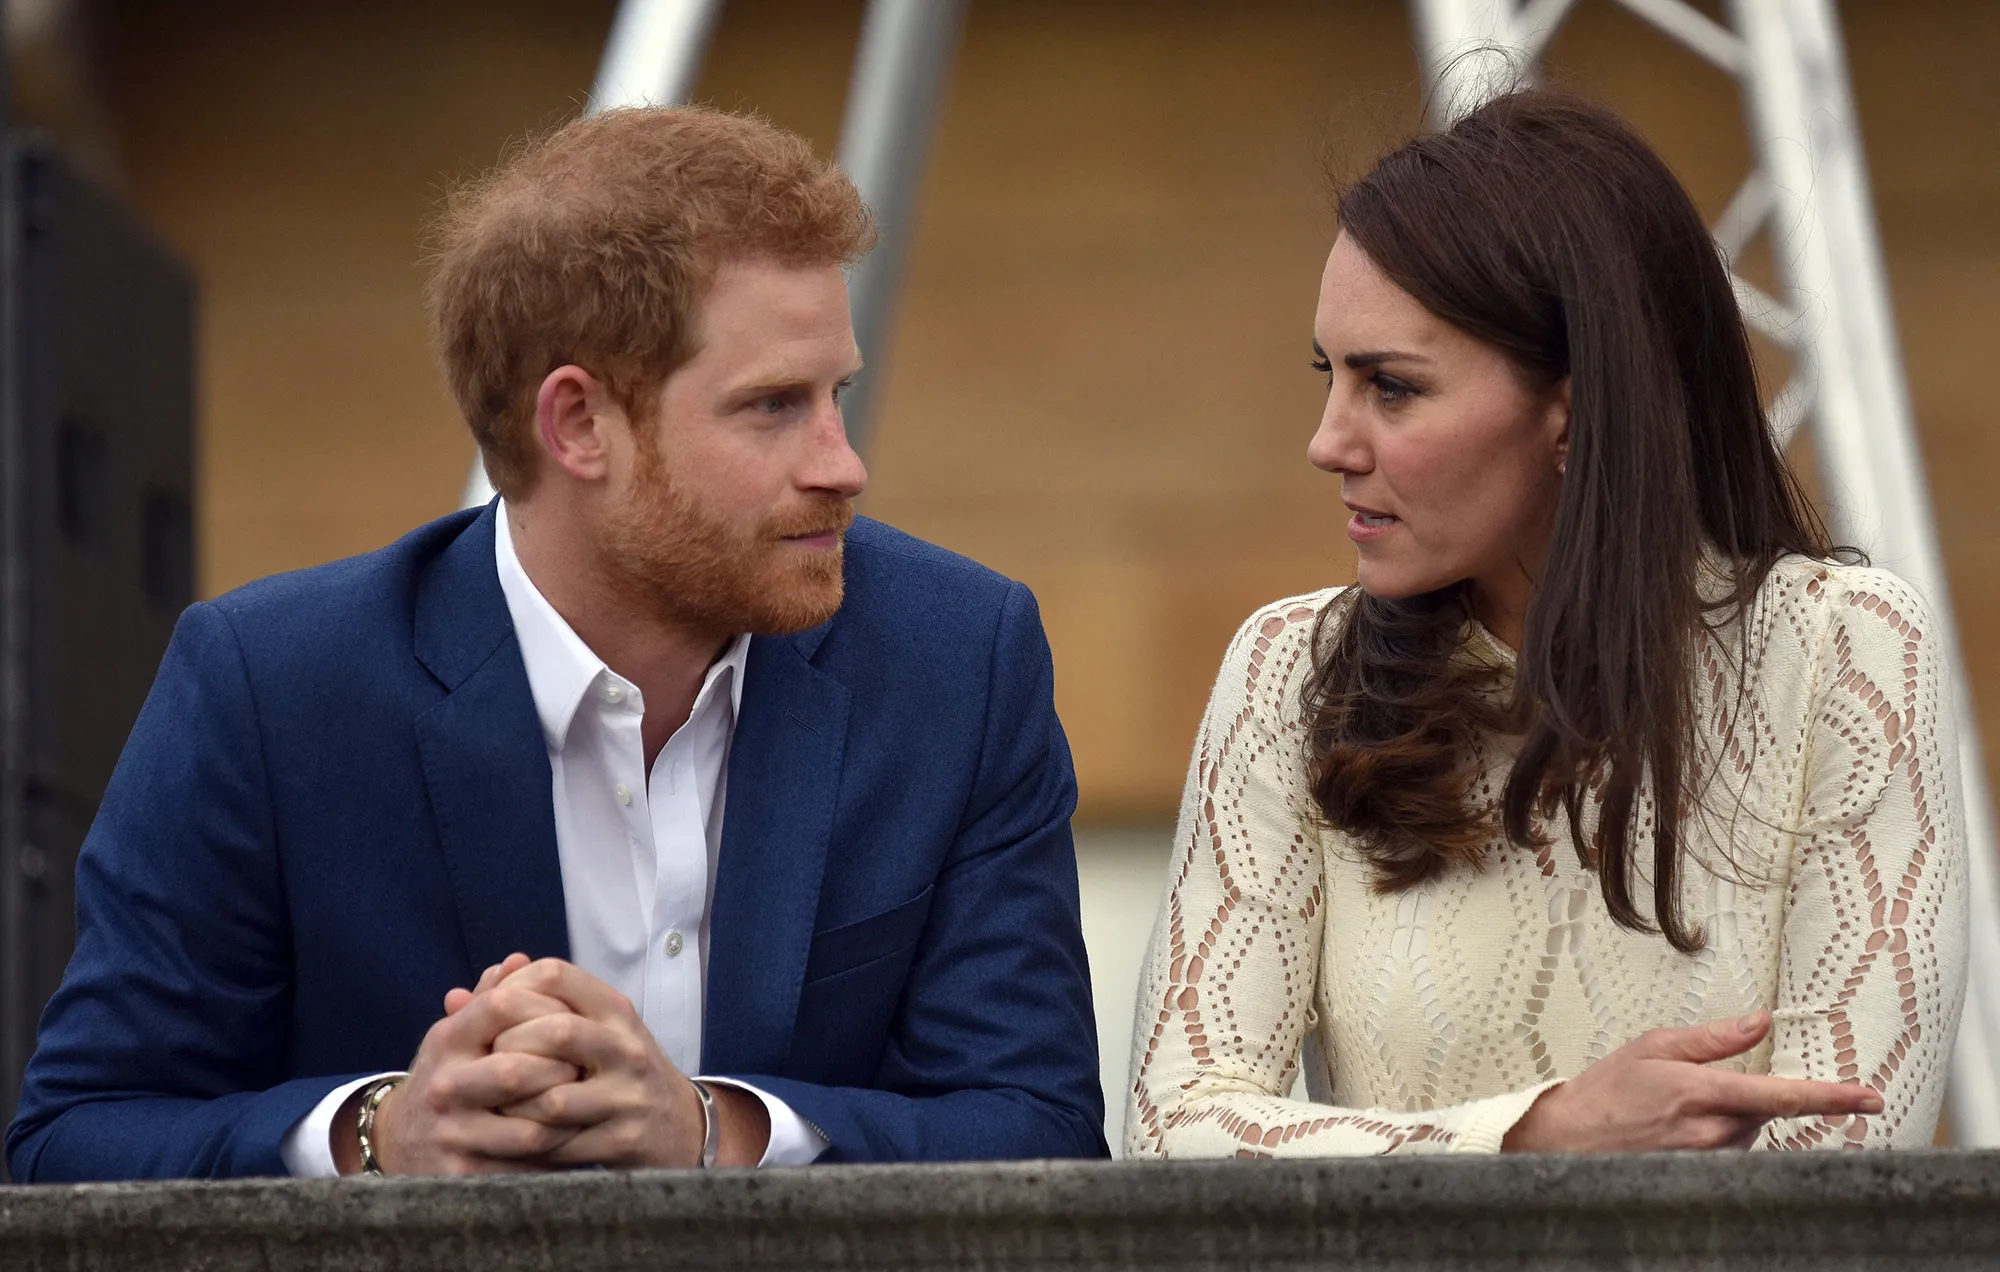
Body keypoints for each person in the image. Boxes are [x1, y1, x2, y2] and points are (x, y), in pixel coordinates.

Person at [8, 105, 1105, 1180]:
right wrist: (378, 1136)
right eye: (773, 406)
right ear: (577, 424)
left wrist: (712, 1130)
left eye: (838, 395)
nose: (841, 462)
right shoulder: (272, 686)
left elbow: (1042, 1126)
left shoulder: (958, 660)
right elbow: (74, 1137)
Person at [1128, 89, 1968, 1157]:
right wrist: (1529, 1141)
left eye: (1389, 387)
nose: (1327, 441)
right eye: (1326, 375)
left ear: (1569, 410)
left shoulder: (1843, 649)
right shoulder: (1291, 669)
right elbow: (1172, 1125)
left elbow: (1846, 1157)